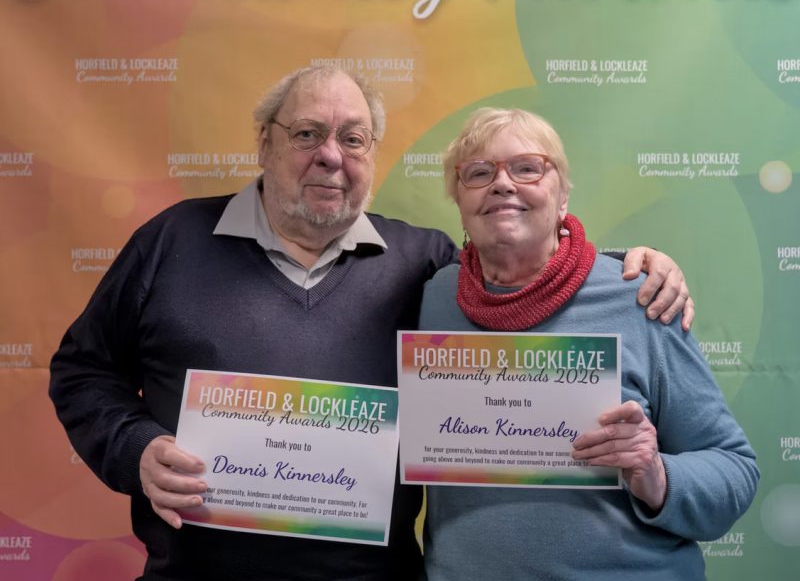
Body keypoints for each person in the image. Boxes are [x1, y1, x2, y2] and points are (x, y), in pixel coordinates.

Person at [50, 67, 693, 581]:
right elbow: (83, 371)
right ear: (265, 143)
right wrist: (135, 450)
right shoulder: (171, 240)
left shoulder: (426, 264)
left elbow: (518, 267)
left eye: (354, 138)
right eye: (308, 134)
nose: (331, 156)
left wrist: (625, 266)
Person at [418, 107, 759, 580]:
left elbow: (734, 469)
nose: (502, 184)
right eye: (478, 173)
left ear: (562, 197)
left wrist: (656, 475)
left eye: (527, 168)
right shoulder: (434, 299)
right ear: (459, 201)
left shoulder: (640, 296)